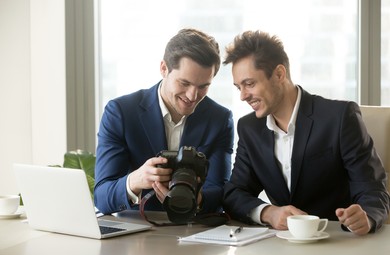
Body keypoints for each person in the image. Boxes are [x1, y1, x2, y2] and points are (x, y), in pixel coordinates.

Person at [222, 30, 390, 235]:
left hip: (337, 242)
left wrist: (366, 216)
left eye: (249, 84)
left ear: (279, 74)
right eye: (238, 87)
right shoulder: (249, 128)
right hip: (281, 246)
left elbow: (373, 190)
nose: (243, 96)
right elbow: (234, 193)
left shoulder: (339, 117)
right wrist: (269, 212)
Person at [94, 28, 234, 219]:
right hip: (137, 233)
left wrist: (197, 198)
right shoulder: (120, 113)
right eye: (184, 83)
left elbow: (220, 191)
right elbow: (102, 197)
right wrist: (136, 180)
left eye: (203, 86)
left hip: (195, 233)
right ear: (163, 69)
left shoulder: (220, 119)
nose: (193, 96)